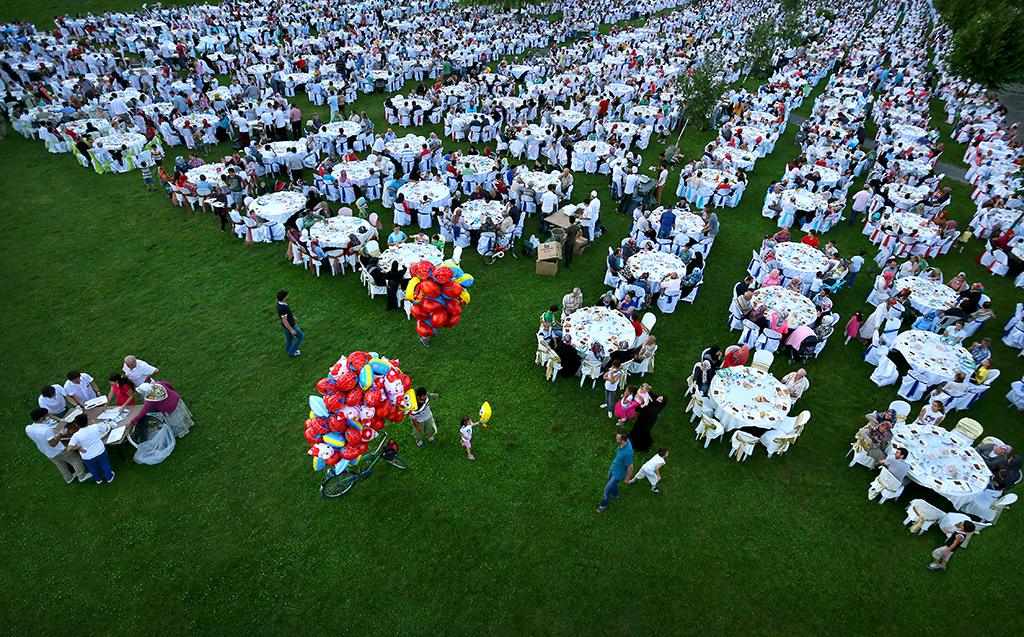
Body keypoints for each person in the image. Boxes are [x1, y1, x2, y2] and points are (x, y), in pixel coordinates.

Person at [26, 407, 91, 483]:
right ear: (41, 418)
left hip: (46, 451)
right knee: (75, 459)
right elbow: (53, 444)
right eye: (45, 416)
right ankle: (82, 476)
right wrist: (61, 433)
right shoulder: (45, 430)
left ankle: (68, 478)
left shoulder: (28, 428)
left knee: (60, 464)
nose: (46, 417)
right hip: (57, 450)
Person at [65, 413, 115, 484]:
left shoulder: (76, 436)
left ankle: (98, 479)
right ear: (87, 421)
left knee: (93, 468)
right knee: (105, 464)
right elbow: (106, 429)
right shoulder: (95, 427)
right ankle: (109, 477)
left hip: (87, 456)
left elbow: (69, 448)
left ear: (77, 425)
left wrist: (78, 447)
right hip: (100, 452)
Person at [597, 431, 634, 513]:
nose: (615, 438)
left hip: (618, 474)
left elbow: (630, 467)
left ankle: (603, 505)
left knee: (607, 490)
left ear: (623, 441)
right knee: (609, 481)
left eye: (617, 438)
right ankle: (615, 495)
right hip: (614, 467)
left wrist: (627, 479)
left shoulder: (628, 453)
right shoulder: (624, 443)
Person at [277, 290, 304, 356]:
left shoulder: (280, 304)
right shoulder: (283, 308)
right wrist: (291, 329)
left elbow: (287, 315)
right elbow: (285, 320)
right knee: (300, 336)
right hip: (290, 326)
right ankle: (292, 352)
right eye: (286, 296)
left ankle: (289, 350)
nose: (287, 296)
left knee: (289, 339)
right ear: (284, 298)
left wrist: (293, 317)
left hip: (285, 326)